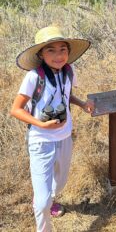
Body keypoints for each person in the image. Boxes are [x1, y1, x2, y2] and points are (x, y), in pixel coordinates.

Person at [10, 26, 94, 232]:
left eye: (63, 49)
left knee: (61, 181)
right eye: (51, 50)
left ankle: (50, 199)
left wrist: (82, 104)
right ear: (40, 54)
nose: (59, 55)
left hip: (65, 136)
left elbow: (65, 96)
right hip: (41, 140)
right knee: (42, 201)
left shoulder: (68, 71)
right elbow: (16, 109)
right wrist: (41, 124)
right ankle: (44, 220)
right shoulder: (33, 76)